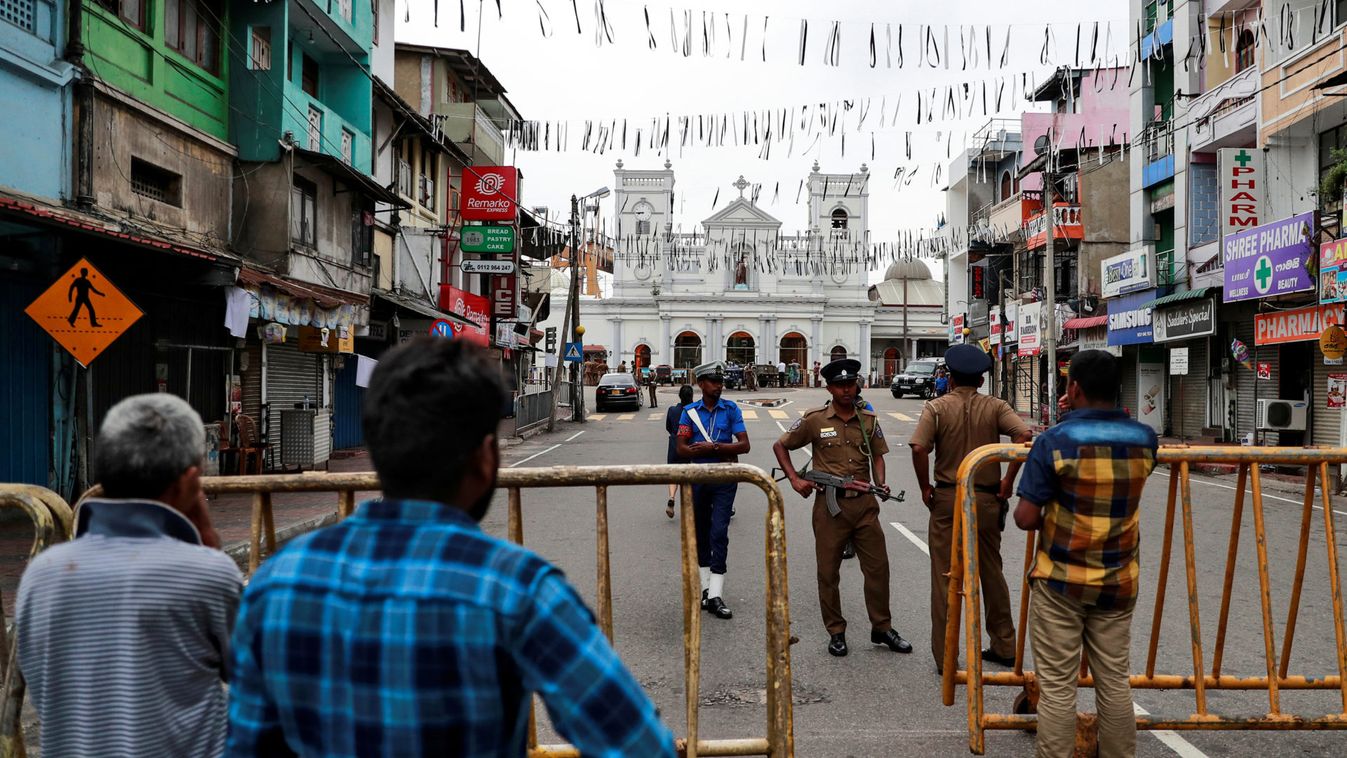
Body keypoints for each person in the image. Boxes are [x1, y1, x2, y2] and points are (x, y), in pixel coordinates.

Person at [227, 338, 673, 757]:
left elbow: (246, 745)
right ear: (484, 458)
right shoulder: (518, 590)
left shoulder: (274, 584)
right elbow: (637, 744)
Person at [17, 394, 240, 758]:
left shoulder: (42, 573)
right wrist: (209, 543)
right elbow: (251, 679)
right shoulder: (207, 573)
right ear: (190, 481)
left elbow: (45, 688)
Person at [1013, 350, 1156, 758]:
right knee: (1114, 683)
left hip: (1062, 581)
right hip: (1118, 581)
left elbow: (1025, 518)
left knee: (1058, 689)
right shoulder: (1144, 439)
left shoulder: (1054, 442)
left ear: (1072, 388)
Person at [773, 358, 913, 657]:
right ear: (830, 387)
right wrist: (796, 480)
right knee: (828, 572)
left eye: (851, 384)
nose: (847, 390)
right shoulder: (815, 419)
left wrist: (881, 482)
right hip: (829, 507)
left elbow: (877, 455)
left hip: (865, 505)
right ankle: (836, 631)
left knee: (878, 569)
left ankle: (882, 627)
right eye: (841, 385)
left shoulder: (868, 419)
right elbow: (781, 445)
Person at [909, 344, 1033, 672]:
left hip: (950, 497)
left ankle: (945, 655)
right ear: (981, 378)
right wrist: (1008, 481)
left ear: (949, 378)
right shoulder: (995, 407)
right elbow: (1024, 436)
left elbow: (920, 447)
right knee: (991, 571)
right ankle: (1005, 645)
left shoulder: (935, 408)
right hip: (988, 498)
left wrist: (925, 486)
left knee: (945, 576)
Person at [676, 361, 751, 620]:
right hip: (697, 478)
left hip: (724, 479)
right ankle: (706, 590)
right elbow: (681, 448)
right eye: (713, 381)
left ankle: (716, 594)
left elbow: (744, 445)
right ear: (701, 384)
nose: (719, 386)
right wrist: (707, 449)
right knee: (700, 533)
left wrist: (713, 448)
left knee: (719, 532)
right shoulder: (689, 412)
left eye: (721, 382)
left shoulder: (730, 409)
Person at [664, 384, 696, 518]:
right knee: (689, 475)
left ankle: (672, 497)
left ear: (679, 396)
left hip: (674, 445)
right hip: (690, 446)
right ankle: (689, 504)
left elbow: (668, 427)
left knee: (673, 474)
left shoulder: (672, 410)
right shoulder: (695, 411)